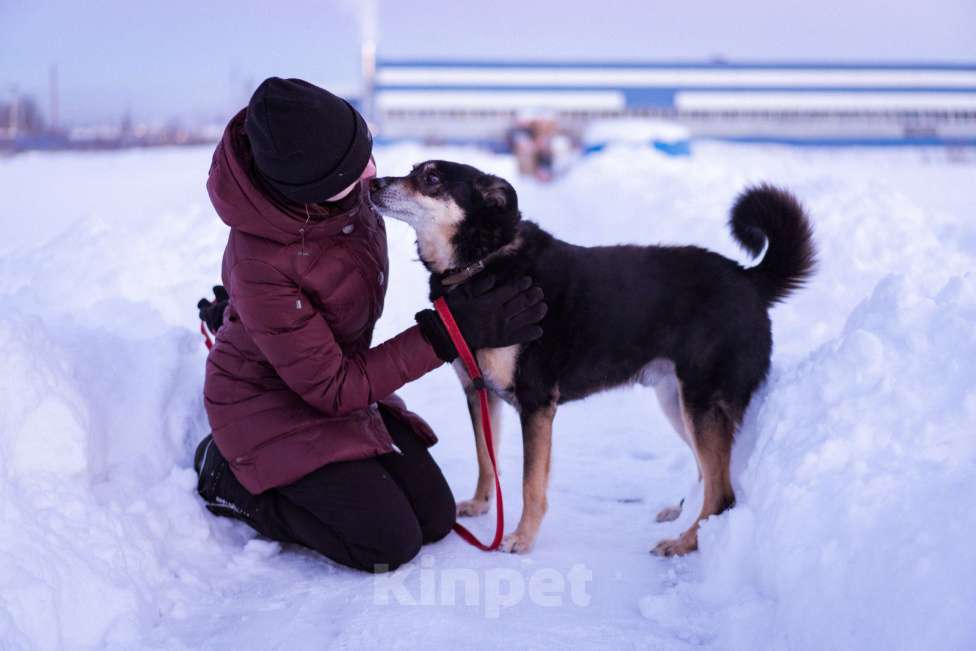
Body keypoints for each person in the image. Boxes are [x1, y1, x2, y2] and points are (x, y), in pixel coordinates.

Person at [193, 78, 546, 573]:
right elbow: (332, 385)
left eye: (367, 152)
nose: (372, 172)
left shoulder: (347, 198)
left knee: (435, 518)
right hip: (269, 408)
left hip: (332, 383)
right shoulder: (265, 261)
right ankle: (225, 478)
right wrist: (448, 332)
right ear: (309, 186)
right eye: (353, 167)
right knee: (387, 544)